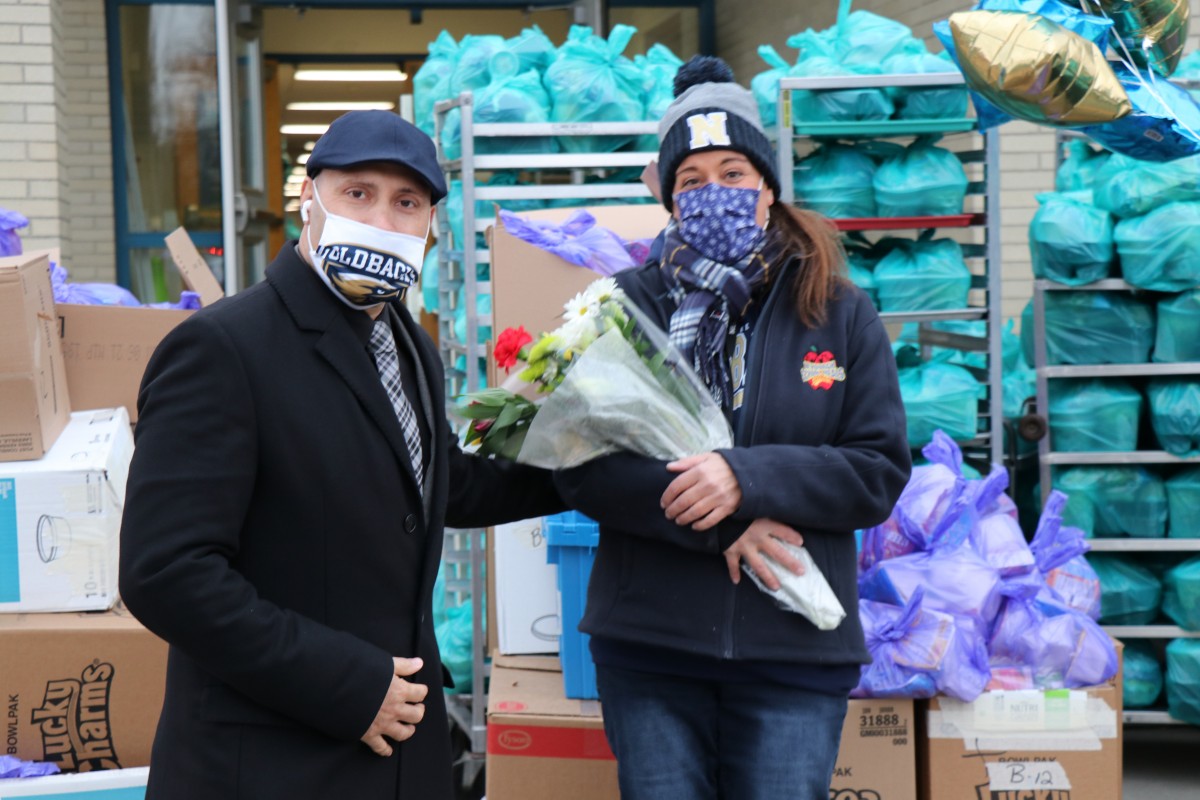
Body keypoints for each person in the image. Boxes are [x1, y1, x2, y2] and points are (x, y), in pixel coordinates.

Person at [119, 110, 564, 799]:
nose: (383, 220)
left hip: (398, 762)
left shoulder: (407, 343)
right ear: (309, 202)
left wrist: (589, 464)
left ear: (430, 230)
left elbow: (437, 486)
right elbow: (165, 572)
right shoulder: (223, 349)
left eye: (407, 203)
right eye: (359, 193)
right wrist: (349, 685)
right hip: (271, 761)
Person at [553, 57, 912, 799]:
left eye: (734, 172)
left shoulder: (838, 311)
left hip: (792, 654)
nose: (713, 192)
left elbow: (876, 469)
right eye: (691, 180)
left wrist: (745, 478)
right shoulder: (625, 306)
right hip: (652, 647)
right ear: (665, 195)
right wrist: (714, 520)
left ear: (769, 186)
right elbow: (577, 462)